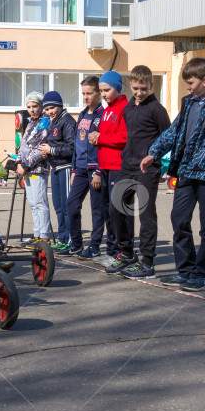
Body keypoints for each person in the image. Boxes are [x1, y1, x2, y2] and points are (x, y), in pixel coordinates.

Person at [141, 58, 205, 291]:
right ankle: (185, 270)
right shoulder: (188, 103)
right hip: (185, 170)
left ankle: (203, 274)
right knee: (179, 219)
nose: (188, 87)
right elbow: (174, 131)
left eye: (191, 82)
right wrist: (154, 153)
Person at [107, 65, 170, 279]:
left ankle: (148, 262)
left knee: (145, 214)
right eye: (135, 88)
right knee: (116, 208)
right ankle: (126, 254)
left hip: (147, 169)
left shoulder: (157, 109)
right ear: (130, 85)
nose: (139, 93)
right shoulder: (127, 109)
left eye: (143, 88)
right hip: (127, 167)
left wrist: (158, 160)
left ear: (151, 86)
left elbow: (168, 138)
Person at [60, 76, 108, 259]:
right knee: (71, 204)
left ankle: (95, 246)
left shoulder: (103, 115)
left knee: (97, 209)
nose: (86, 97)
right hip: (79, 169)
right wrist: (73, 169)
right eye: (83, 93)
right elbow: (77, 145)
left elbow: (102, 146)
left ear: (99, 93)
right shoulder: (82, 114)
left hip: (95, 169)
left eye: (90, 93)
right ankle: (76, 243)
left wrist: (98, 171)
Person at [86, 71, 128, 269]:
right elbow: (106, 135)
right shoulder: (108, 109)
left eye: (107, 90)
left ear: (117, 88)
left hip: (117, 167)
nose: (103, 94)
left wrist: (100, 138)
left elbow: (123, 139)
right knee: (107, 211)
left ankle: (121, 251)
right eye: (101, 90)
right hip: (104, 166)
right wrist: (96, 138)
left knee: (116, 210)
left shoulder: (123, 109)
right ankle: (111, 250)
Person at [38, 91, 76, 251]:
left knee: (67, 206)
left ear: (60, 105)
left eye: (52, 108)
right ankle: (62, 238)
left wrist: (51, 150)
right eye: (46, 109)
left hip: (65, 168)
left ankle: (70, 240)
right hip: (55, 168)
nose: (49, 112)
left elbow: (72, 147)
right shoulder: (52, 121)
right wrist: (46, 152)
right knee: (58, 206)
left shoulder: (67, 121)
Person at [14, 92, 52, 246]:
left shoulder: (44, 122)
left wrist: (25, 165)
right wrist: (17, 162)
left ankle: (44, 235)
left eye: (35, 106)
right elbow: (22, 145)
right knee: (32, 203)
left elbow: (40, 149)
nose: (31, 109)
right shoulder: (30, 123)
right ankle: (37, 234)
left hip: (38, 169)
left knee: (39, 202)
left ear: (41, 106)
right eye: (29, 107)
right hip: (27, 170)